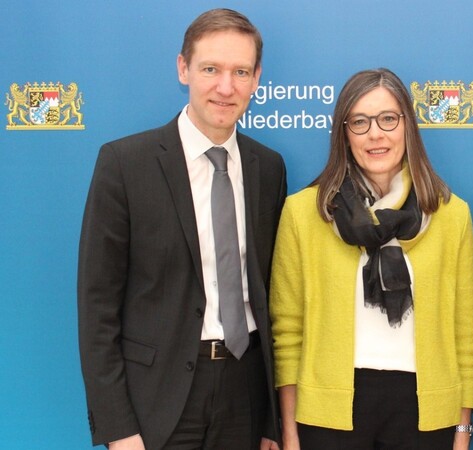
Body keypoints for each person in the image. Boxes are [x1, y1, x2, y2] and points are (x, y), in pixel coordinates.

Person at [77, 9, 285, 450]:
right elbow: (97, 308)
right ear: (183, 68)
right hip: (159, 401)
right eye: (211, 69)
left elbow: (271, 297)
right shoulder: (124, 165)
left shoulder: (268, 167)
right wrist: (117, 428)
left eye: (240, 72)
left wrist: (270, 419)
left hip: (245, 393)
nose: (226, 87)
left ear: (257, 78)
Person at [269, 68, 473, 450]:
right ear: (344, 133)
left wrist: (463, 433)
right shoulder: (304, 213)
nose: (375, 134)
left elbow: (465, 336)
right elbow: (287, 335)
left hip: (426, 415)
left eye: (388, 119)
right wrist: (289, 432)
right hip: (328, 415)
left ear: (408, 127)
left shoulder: (452, 216)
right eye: (360, 122)